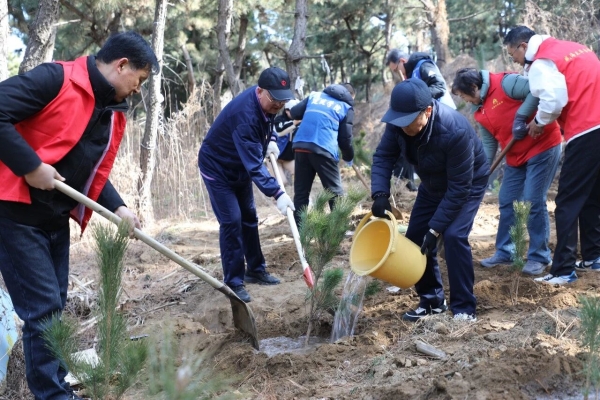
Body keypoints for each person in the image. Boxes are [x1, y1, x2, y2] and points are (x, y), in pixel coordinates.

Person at [0, 31, 158, 400]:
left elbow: (87, 171)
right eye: (140, 79)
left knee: (53, 309)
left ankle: (54, 388)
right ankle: (53, 396)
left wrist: (118, 206)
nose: (138, 90)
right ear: (122, 65)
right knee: (43, 311)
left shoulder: (107, 112)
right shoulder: (55, 79)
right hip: (15, 213)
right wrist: (30, 166)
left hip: (54, 219)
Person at [371, 78, 489, 322]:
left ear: (427, 110)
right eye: (399, 121)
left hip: (467, 183)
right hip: (432, 183)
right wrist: (380, 194)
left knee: (454, 236)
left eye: (408, 122)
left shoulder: (454, 130)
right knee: (415, 237)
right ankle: (432, 301)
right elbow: (383, 156)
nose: (403, 127)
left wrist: (435, 229)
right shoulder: (398, 122)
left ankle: (464, 308)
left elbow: (458, 188)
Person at [503, 26, 600, 285]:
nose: (514, 60)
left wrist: (539, 122)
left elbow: (554, 100)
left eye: (513, 54)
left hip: (586, 129)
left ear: (523, 46)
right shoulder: (573, 48)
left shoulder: (542, 62)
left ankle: (563, 270)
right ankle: (593, 256)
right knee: (591, 195)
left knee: (567, 201)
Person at [452, 68, 562, 276]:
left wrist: (521, 117)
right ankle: (506, 251)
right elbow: (488, 144)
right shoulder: (479, 110)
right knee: (507, 199)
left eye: (464, 95)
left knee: (532, 200)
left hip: (542, 146)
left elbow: (535, 90)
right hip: (515, 156)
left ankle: (539, 256)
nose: (464, 100)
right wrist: (481, 172)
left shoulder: (505, 83)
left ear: (474, 87)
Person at [198, 67, 294, 303]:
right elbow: (255, 166)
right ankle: (233, 281)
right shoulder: (245, 116)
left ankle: (255, 269)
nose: (279, 105)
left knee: (249, 216)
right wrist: (277, 193)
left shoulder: (267, 102)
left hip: (239, 166)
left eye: (283, 101)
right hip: (218, 169)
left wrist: (271, 139)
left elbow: (269, 121)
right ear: (260, 91)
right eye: (275, 100)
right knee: (232, 221)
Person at [289, 83, 355, 225]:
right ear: (350, 95)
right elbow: (345, 139)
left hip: (301, 146)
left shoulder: (314, 96)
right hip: (323, 149)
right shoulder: (345, 107)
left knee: (301, 193)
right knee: (335, 193)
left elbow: (294, 112)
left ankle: (300, 231)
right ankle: (339, 230)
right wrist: (349, 156)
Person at [385, 49, 456, 109]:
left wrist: (416, 98)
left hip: (446, 112)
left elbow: (440, 87)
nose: (397, 74)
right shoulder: (410, 75)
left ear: (402, 61)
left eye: (396, 70)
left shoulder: (423, 65)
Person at [273, 99, 300, 185]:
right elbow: (279, 131)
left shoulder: (300, 122)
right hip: (274, 157)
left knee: (300, 174)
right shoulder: (279, 120)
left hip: (288, 158)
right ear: (286, 111)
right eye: (293, 111)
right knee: (281, 182)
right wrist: (294, 123)